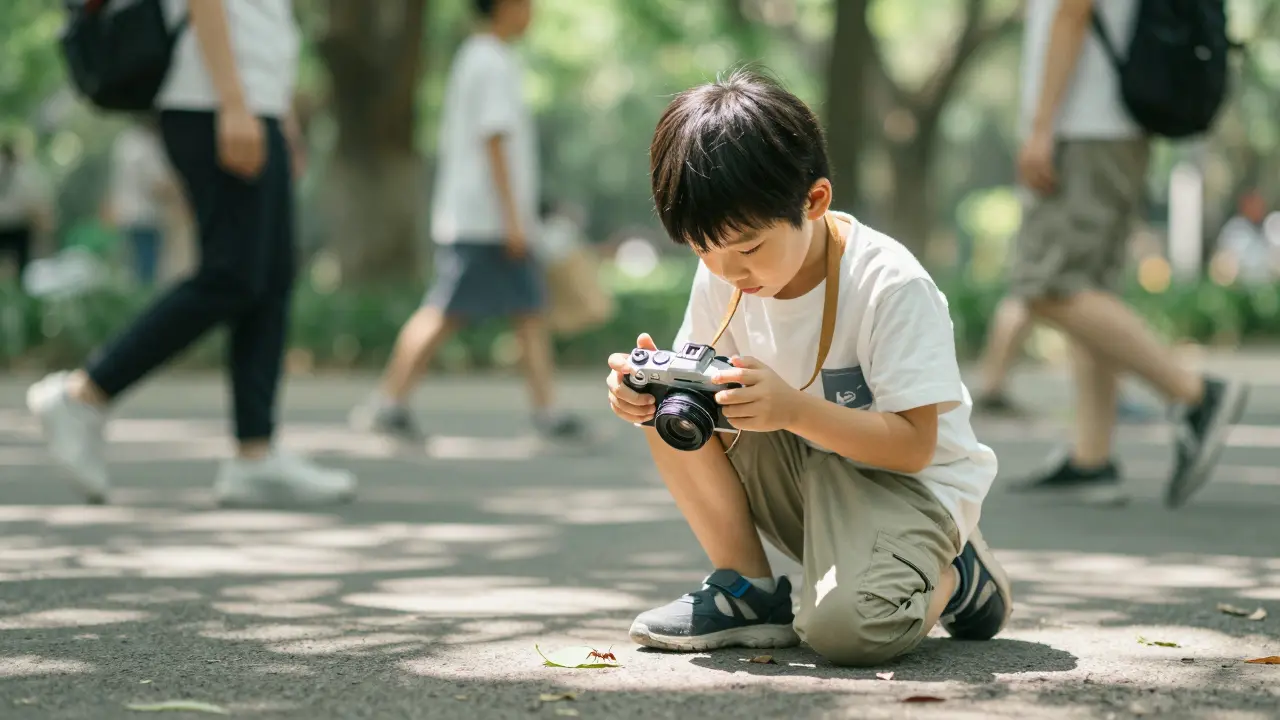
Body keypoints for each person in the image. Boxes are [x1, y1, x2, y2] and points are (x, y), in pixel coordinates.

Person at [604, 70, 1010, 667]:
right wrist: (647, 391)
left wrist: (792, 410)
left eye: (746, 249)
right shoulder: (725, 269)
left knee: (845, 633)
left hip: (908, 489)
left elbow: (917, 446)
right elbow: (699, 399)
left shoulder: (890, 284)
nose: (728, 273)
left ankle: (955, 573)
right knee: (671, 410)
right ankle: (750, 591)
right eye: (701, 250)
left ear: (813, 201)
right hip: (805, 473)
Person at [26, 0, 354, 506]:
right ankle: (83, 394)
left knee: (270, 277)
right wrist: (234, 103)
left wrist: (278, 112)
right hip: (213, 102)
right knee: (232, 275)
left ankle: (255, 454)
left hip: (252, 103)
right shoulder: (222, 100)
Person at [1008, 0, 1248, 506]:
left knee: (1047, 286)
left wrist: (1041, 127)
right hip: (1110, 126)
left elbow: (1073, 10)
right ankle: (1093, 457)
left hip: (1083, 127)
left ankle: (1195, 395)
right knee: (1087, 287)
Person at [350, 0, 582, 442]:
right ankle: (388, 402)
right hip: (486, 222)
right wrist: (514, 219)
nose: (532, 12)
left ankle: (547, 411)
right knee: (446, 311)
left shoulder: (482, 56)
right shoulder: (490, 61)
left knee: (527, 311)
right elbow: (493, 141)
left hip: (485, 218)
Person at [107, 117, 179, 286]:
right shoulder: (146, 145)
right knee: (147, 269)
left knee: (135, 266)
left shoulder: (125, 141)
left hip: (127, 214)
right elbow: (157, 185)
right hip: (145, 216)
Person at [0, 140, 55, 282]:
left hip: (18, 224)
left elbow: (32, 200)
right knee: (21, 263)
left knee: (23, 264)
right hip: (13, 222)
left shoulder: (23, 173)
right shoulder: (22, 172)